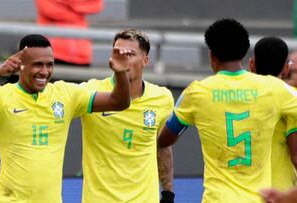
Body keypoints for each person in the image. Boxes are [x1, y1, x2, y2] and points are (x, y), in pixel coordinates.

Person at [0, 34, 131, 203]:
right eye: (37, 65)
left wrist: (121, 73)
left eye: (50, 65)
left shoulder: (66, 94)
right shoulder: (3, 96)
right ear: (21, 66)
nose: (44, 71)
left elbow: (119, 102)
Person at [158, 18, 297, 203]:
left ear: (211, 55)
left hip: (217, 198)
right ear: (243, 54)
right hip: (259, 199)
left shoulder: (197, 92)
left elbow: (165, 139)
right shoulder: (272, 88)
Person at [79, 28, 175, 203]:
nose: (123, 59)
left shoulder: (162, 98)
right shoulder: (91, 92)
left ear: (145, 60)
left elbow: (162, 147)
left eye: (130, 54)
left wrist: (168, 193)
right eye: (118, 53)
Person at [249, 36, 297, 191]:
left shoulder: (235, 97)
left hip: (242, 191)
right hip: (279, 192)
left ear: (251, 65)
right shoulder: (291, 100)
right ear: (286, 69)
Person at [34, 0, 103, 66]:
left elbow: (96, 5)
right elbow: (51, 10)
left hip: (81, 55)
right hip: (52, 54)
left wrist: (69, 4)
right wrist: (77, 9)